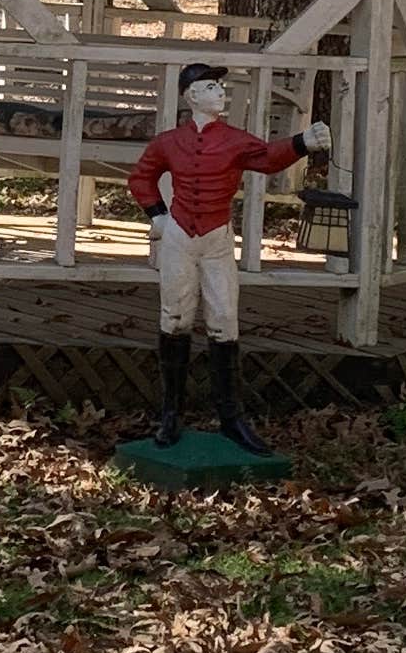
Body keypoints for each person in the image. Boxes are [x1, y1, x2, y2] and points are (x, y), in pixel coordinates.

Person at [126, 63, 331, 449]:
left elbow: (268, 157)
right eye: (210, 87)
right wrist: (159, 217)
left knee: (223, 318)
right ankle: (171, 415)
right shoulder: (169, 142)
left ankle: (231, 418)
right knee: (174, 317)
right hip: (179, 238)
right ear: (191, 97)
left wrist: (302, 142)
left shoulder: (235, 140)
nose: (220, 93)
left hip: (217, 238)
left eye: (220, 86)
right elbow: (141, 177)